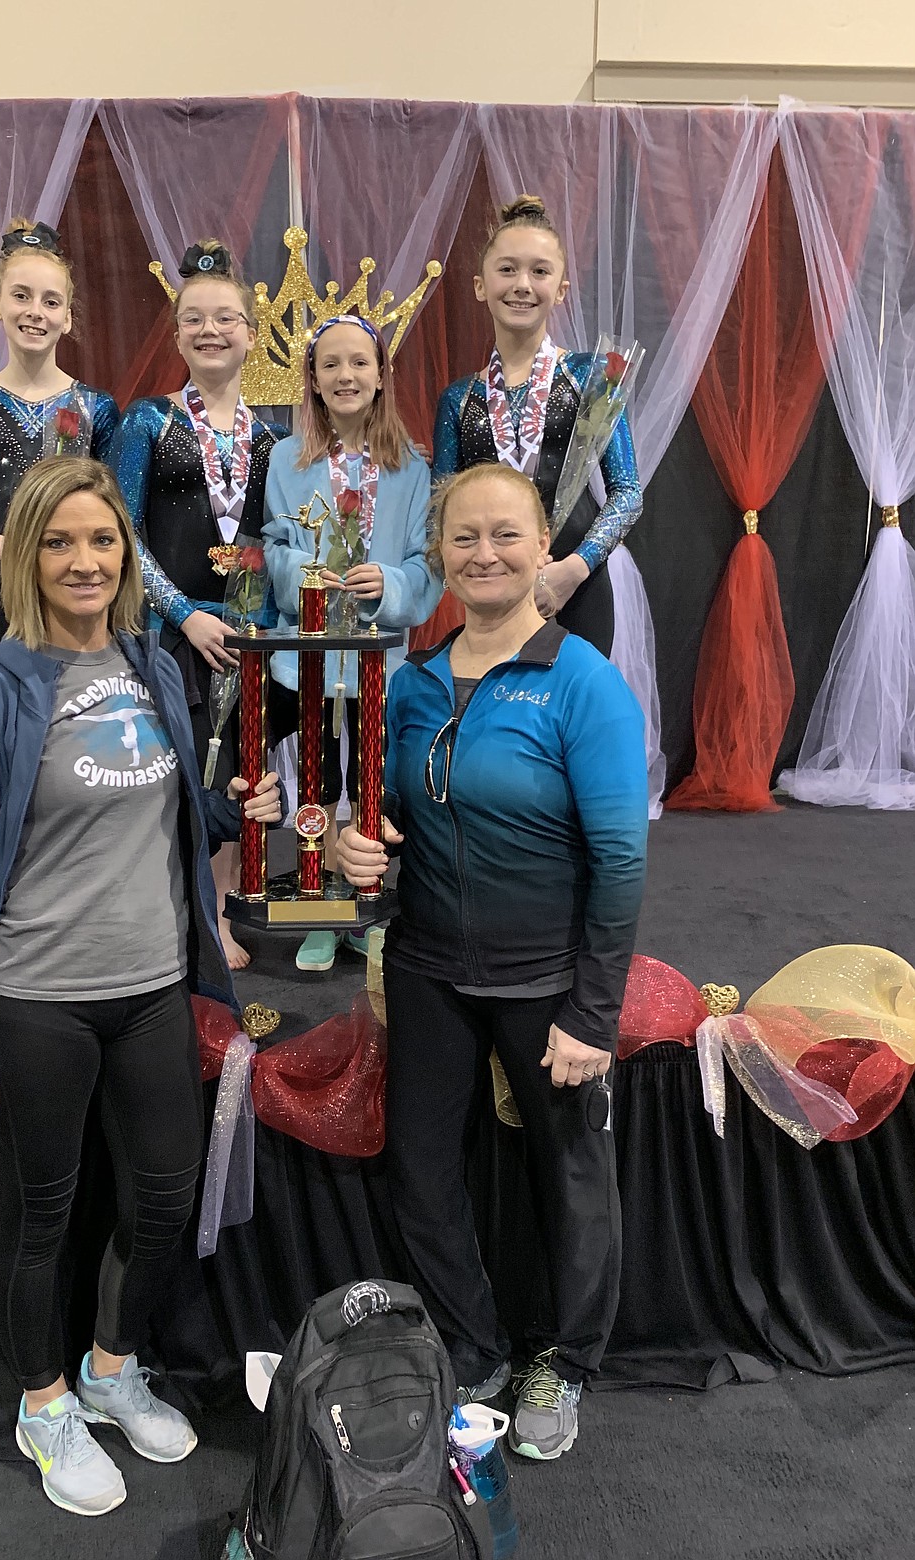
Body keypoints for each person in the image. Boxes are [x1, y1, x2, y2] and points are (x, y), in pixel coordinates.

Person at [0, 456, 280, 1517]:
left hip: (151, 987)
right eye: (60, 542)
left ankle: (112, 1371)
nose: (84, 560)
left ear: (127, 555)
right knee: (43, 1218)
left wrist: (228, 807)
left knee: (162, 1200)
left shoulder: (151, 665)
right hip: (36, 998)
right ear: (27, 553)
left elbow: (160, 819)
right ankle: (43, 1402)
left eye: (102, 540)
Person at [337, 463, 647, 1461]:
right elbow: (390, 822)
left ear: (540, 546)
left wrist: (592, 1014)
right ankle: (472, 1348)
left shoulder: (583, 681)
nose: (484, 554)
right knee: (421, 1171)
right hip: (428, 969)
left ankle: (566, 1359)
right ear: (438, 556)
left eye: (506, 536)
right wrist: (360, 850)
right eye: (464, 538)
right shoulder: (417, 683)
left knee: (573, 1177)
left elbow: (621, 860)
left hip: (547, 982)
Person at [111, 240, 285, 971]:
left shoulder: (272, 437)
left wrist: (264, 626)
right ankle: (166, 909)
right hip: (171, 629)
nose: (211, 331)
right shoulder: (146, 421)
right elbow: (121, 529)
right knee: (171, 771)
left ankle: (219, 912)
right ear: (177, 333)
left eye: (227, 318)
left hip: (245, 632)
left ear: (251, 330)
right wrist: (182, 612)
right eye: (195, 320)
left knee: (240, 767)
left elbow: (277, 541)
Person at [0, 218, 187, 658]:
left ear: (67, 317)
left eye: (50, 301)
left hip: (75, 586)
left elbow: (119, 521)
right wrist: (0, 545)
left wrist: (170, 608)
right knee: (5, 711)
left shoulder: (94, 407)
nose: (35, 311)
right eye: (21, 296)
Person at [262, 315, 440, 972]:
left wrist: (388, 582)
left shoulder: (411, 467)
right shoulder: (286, 459)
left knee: (369, 787)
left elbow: (428, 564)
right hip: (307, 661)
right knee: (316, 786)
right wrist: (301, 578)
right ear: (310, 378)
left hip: (378, 665)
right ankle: (318, 903)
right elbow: (272, 548)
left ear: (381, 374)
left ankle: (363, 900)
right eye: (330, 364)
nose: (346, 376)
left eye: (359, 363)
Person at [432, 194, 642, 656]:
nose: (522, 285)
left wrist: (575, 568)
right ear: (479, 286)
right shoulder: (458, 399)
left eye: (539, 271)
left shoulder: (594, 377)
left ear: (561, 289)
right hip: (492, 593)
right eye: (507, 269)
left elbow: (628, 492)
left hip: (577, 591)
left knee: (575, 718)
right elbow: (442, 506)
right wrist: (476, 573)